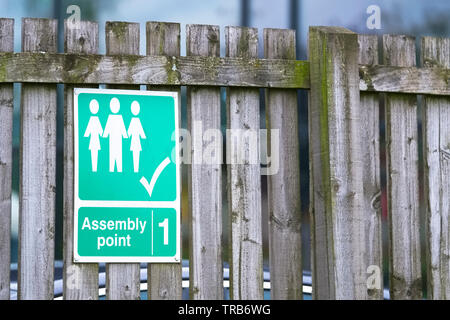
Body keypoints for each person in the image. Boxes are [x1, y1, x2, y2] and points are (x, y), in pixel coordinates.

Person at [103, 97, 128, 172]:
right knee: (112, 156)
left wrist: (125, 135)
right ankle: (112, 169)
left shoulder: (120, 118)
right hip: (113, 141)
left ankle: (118, 169)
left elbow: (123, 130)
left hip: (118, 142)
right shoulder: (110, 118)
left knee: (118, 156)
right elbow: (106, 130)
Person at [84, 99, 103, 172]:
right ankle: (94, 169)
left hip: (95, 142)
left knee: (95, 154)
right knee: (94, 155)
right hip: (94, 142)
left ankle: (94, 169)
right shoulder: (93, 119)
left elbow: (102, 132)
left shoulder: (95, 119)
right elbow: (101, 133)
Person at [127, 101, 146, 172]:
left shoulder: (135, 121)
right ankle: (135, 169)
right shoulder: (134, 121)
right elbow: (141, 133)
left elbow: (128, 133)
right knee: (135, 155)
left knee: (136, 155)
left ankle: (136, 169)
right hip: (135, 142)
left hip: (136, 143)